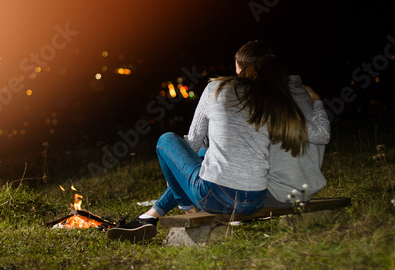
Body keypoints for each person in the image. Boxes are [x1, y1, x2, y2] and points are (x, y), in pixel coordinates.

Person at [107, 40, 330, 242]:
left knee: (169, 142)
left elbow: (192, 142)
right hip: (261, 195)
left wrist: (176, 175)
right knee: (206, 156)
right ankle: (150, 215)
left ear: (244, 69)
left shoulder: (232, 91)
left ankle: (182, 211)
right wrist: (317, 101)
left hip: (247, 195)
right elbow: (319, 133)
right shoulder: (279, 97)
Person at [263, 76, 330, 207]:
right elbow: (323, 134)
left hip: (277, 195)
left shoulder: (266, 102)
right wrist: (317, 101)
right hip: (304, 194)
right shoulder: (308, 98)